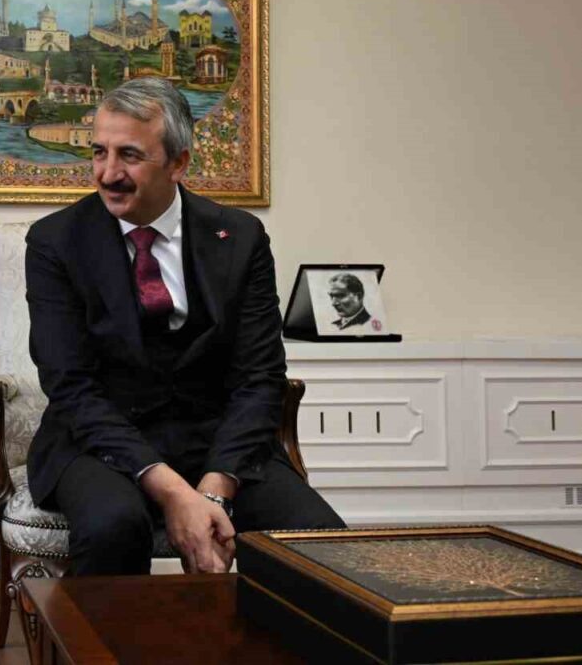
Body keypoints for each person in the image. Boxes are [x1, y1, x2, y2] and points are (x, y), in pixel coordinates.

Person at [25, 77, 344, 578]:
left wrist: (215, 488)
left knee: (321, 543)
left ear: (178, 163)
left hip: (218, 442)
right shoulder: (55, 242)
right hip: (100, 444)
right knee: (114, 526)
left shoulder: (240, 237)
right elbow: (71, 387)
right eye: (99, 152)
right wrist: (173, 490)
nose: (108, 173)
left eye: (130, 155)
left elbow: (260, 377)